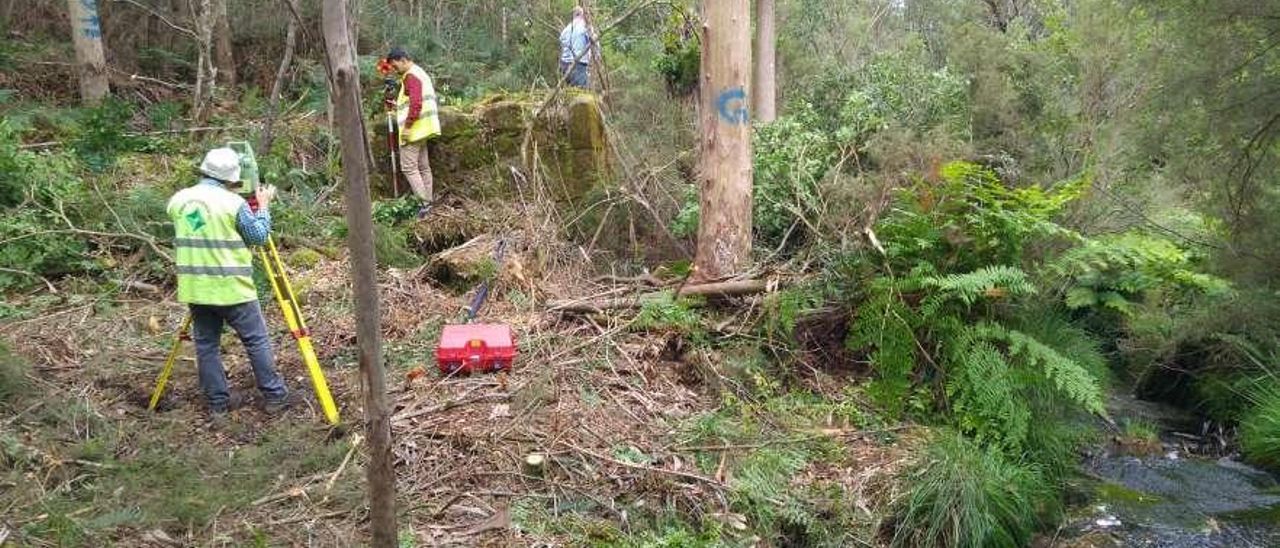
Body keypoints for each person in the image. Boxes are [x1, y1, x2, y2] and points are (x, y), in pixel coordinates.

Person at [167, 147, 291, 419]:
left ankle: (217, 404)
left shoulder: (179, 200)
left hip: (196, 289)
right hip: (232, 288)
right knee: (256, 341)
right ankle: (275, 395)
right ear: (233, 176)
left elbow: (199, 224)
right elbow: (258, 236)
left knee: (206, 346)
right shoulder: (233, 204)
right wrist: (264, 206)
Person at [386, 46, 442, 219]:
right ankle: (429, 204)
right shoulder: (420, 73)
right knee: (423, 167)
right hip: (424, 128)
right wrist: (397, 106)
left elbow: (416, 103)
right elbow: (412, 101)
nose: (395, 71)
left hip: (415, 130)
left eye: (395, 66)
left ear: (403, 60)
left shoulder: (411, 75)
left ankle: (424, 206)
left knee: (409, 167)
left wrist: (408, 127)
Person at [559, 6, 593, 89]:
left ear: (574, 16)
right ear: (582, 15)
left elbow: (561, 41)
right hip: (579, 65)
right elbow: (595, 42)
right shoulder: (585, 27)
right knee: (582, 95)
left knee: (569, 93)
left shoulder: (566, 29)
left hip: (564, 65)